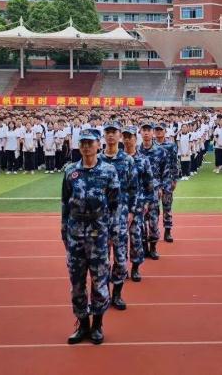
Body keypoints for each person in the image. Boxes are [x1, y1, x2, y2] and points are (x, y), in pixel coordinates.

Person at [61, 129, 120, 345]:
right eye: (83, 143)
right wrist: (64, 231)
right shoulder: (70, 171)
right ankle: (82, 324)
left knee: (99, 281)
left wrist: (113, 233)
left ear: (98, 145)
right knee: (77, 282)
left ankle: (97, 325)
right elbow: (64, 204)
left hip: (99, 235)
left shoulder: (108, 171)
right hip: (76, 234)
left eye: (90, 142)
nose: (86, 147)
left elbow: (115, 205)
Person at [100, 122, 138, 310]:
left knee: (121, 259)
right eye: (107, 132)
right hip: (100, 219)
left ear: (120, 136)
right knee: (101, 259)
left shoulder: (127, 160)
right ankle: (103, 295)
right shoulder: (97, 159)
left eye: (114, 132)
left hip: (121, 217)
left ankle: (117, 294)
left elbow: (133, 188)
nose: (111, 135)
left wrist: (131, 211)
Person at [121, 126, 155, 282]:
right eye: (125, 137)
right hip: (119, 206)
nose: (128, 140)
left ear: (136, 138)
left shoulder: (143, 159)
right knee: (120, 239)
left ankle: (135, 268)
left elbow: (149, 184)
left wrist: (147, 202)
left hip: (138, 205)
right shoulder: (117, 159)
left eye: (130, 137)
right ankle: (121, 268)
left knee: (136, 237)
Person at [139, 122, 170, 260]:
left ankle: (153, 248)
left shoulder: (160, 151)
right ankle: (143, 247)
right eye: (143, 130)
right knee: (140, 222)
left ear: (152, 133)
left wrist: (163, 188)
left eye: (148, 130)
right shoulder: (135, 151)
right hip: (139, 192)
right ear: (140, 132)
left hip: (154, 190)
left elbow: (166, 172)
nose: (146, 133)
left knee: (153, 220)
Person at [154, 123, 179, 243]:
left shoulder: (170, 145)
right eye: (157, 130)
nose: (158, 132)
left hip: (167, 179)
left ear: (165, 131)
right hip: (154, 181)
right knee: (153, 208)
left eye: (160, 130)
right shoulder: (150, 146)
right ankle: (154, 231)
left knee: (167, 206)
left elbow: (175, 162)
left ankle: (168, 231)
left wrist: (175, 179)